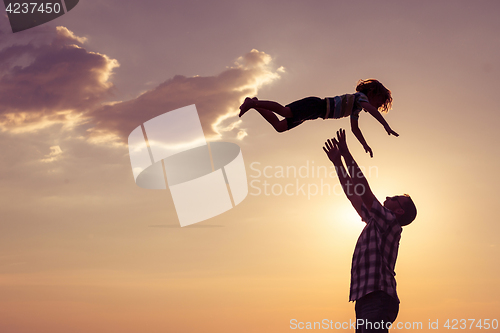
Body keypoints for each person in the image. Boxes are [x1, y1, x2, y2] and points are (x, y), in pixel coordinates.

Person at [322, 129, 417, 333]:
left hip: (379, 296)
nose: (389, 197)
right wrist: (337, 163)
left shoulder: (390, 221)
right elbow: (352, 194)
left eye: (395, 198)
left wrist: (346, 154)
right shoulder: (376, 221)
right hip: (366, 297)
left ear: (399, 210)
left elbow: (363, 189)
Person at [239, 79, 399, 157]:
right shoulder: (360, 98)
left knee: (280, 126)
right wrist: (385, 125)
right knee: (284, 111)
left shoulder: (356, 108)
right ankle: (254, 102)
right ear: (372, 93)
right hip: (315, 106)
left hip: (314, 113)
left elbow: (354, 128)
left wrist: (365, 144)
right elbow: (370, 109)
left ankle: (254, 105)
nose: (378, 107)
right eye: (379, 102)